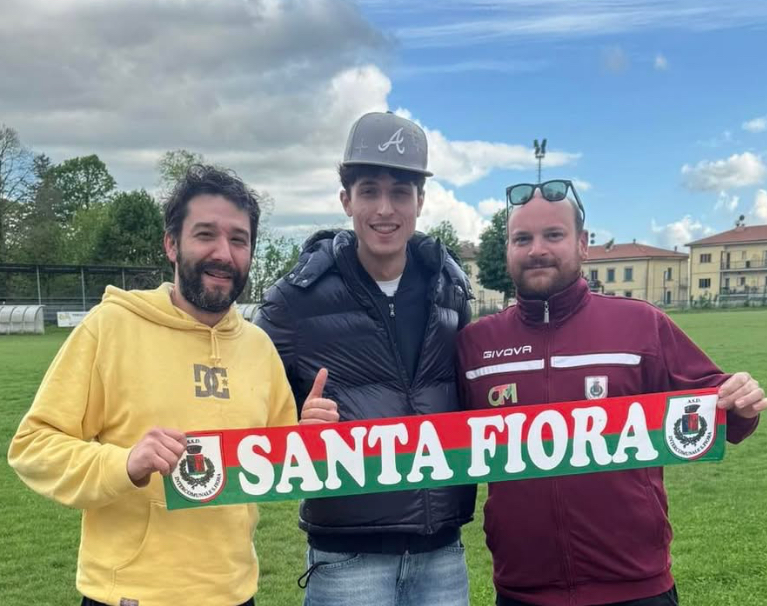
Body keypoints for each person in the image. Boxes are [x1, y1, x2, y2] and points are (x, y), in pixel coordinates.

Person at [456, 180, 767, 606]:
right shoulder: (476, 343)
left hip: (637, 586)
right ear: (508, 249)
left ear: (582, 243)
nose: (537, 250)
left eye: (553, 235)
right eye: (522, 239)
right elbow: (431, 438)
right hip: (522, 591)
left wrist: (740, 401)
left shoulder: (640, 324)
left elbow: (718, 405)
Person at [8, 165, 298, 606]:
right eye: (205, 234)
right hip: (131, 596)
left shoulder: (259, 347)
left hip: (235, 593)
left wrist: (309, 437)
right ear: (171, 244)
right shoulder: (111, 327)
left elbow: (275, 463)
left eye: (239, 240)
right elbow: (32, 446)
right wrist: (124, 464)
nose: (224, 253)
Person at [255, 111, 476, 606]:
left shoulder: (449, 288)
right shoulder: (294, 300)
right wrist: (293, 424)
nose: (384, 209)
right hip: (347, 559)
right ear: (346, 200)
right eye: (369, 191)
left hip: (442, 552)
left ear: (420, 201)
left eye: (400, 192)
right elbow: (246, 407)